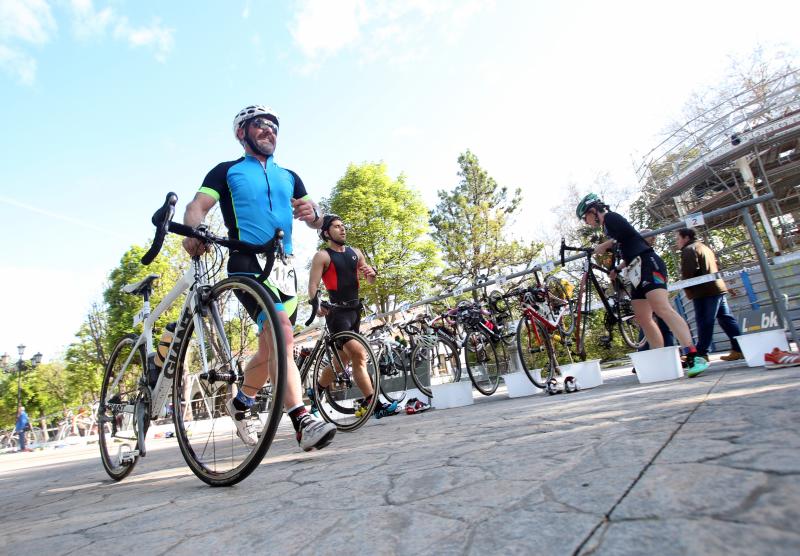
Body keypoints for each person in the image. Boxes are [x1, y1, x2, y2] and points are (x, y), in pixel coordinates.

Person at [182, 104, 336, 452]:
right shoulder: (227, 172)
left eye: (274, 127)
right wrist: (195, 231)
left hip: (285, 268)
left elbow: (314, 218)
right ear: (242, 133)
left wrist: (314, 214)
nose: (270, 132)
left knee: (273, 347)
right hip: (246, 261)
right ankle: (301, 420)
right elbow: (197, 206)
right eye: (261, 126)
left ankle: (239, 404)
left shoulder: (290, 176)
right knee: (282, 334)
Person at [576, 193, 709, 377]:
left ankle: (693, 355)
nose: (586, 222)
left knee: (662, 309)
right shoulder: (608, 226)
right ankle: (661, 359)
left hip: (648, 263)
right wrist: (617, 268)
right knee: (642, 317)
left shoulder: (611, 218)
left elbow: (629, 235)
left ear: (592, 210)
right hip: (635, 269)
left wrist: (604, 245)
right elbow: (627, 245)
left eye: (585, 218)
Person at [307, 215, 399, 418]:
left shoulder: (356, 253)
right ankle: (374, 404)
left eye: (343, 226)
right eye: (337, 227)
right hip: (336, 314)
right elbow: (313, 285)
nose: (342, 230)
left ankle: (317, 391)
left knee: (342, 362)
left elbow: (370, 280)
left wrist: (371, 273)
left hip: (355, 312)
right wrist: (317, 304)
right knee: (359, 354)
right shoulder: (322, 256)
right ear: (326, 233)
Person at [676, 228, 744, 362]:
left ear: (686, 238)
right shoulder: (704, 247)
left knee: (705, 321)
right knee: (726, 319)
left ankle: (701, 353)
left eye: (678, 238)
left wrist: (686, 286)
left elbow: (688, 272)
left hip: (704, 291)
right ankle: (739, 348)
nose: (677, 242)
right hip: (715, 288)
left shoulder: (689, 250)